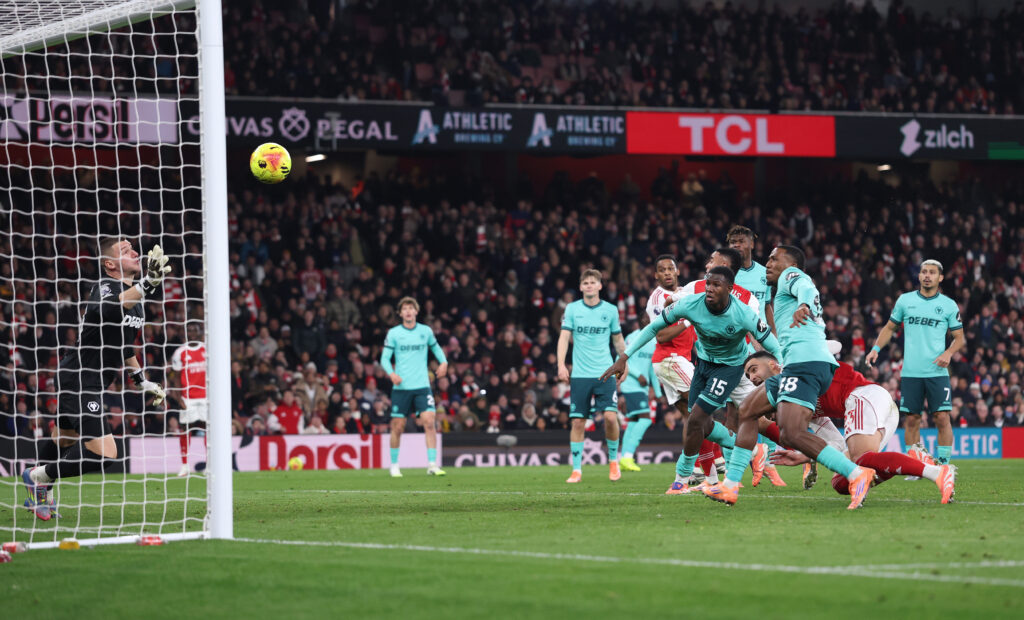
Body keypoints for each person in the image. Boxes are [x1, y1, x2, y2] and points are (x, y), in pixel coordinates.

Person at [705, 245, 875, 509]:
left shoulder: (791, 275)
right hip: (798, 363)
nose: (769, 263)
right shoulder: (782, 292)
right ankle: (730, 486)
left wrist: (804, 303)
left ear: (791, 264)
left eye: (774, 259)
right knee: (748, 410)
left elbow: (806, 288)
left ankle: (856, 473)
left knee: (792, 433)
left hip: (806, 363)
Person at [23, 238, 171, 520]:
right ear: (110, 264)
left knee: (64, 440)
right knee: (104, 455)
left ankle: (38, 495)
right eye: (126, 251)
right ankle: (38, 477)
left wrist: (141, 380)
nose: (136, 253)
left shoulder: (136, 302)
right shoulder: (104, 287)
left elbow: (125, 345)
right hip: (80, 377)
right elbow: (107, 310)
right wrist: (148, 284)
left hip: (87, 379)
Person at [602, 266, 780, 495]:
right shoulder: (690, 304)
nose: (710, 289)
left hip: (729, 368)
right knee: (701, 425)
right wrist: (624, 358)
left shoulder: (744, 314)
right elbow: (653, 328)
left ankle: (681, 478)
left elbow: (772, 344)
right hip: (703, 365)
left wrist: (782, 371)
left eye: (716, 285)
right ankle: (755, 450)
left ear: (729, 289)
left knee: (695, 417)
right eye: (708, 284)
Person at [742, 351, 955, 503]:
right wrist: (808, 456)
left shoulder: (798, 365)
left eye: (753, 369)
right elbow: (834, 443)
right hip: (880, 407)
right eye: (747, 376)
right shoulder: (800, 408)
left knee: (860, 459)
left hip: (863, 395)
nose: (751, 378)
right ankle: (908, 465)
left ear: (774, 365)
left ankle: (936, 472)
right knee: (841, 481)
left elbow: (829, 346)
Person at [865, 259, 965, 471]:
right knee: (912, 419)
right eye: (924, 272)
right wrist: (875, 349)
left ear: (940, 278)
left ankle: (945, 465)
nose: (927, 275)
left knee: (942, 417)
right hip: (911, 372)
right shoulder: (905, 301)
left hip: (937, 372)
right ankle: (916, 466)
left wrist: (948, 353)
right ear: (919, 276)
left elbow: (960, 338)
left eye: (932, 273)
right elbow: (890, 328)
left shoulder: (948, 305)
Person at [557, 269, 626, 483]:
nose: (588, 285)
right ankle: (576, 469)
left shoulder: (611, 310)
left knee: (610, 417)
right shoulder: (572, 309)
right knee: (578, 422)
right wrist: (560, 365)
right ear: (581, 287)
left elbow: (618, 340)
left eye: (592, 282)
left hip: (604, 372)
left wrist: (625, 363)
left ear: (599, 286)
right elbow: (563, 338)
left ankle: (613, 462)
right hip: (580, 375)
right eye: (585, 282)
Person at [381, 297, 448, 477]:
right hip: (401, 388)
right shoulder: (394, 333)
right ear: (400, 313)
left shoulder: (425, 331)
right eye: (405, 309)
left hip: (422, 386)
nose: (408, 311)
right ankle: (394, 465)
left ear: (416, 311)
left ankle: (432, 464)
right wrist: (391, 373)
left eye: (411, 308)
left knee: (429, 422)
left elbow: (436, 349)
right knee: (397, 426)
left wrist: (443, 362)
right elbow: (384, 358)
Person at [618, 314, 662, 472]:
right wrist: (638, 375)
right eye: (645, 317)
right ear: (642, 321)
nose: (647, 320)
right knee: (645, 419)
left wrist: (657, 391)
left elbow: (652, 366)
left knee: (634, 421)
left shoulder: (655, 341)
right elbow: (622, 358)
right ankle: (628, 456)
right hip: (630, 383)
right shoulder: (633, 337)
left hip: (642, 387)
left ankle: (623, 458)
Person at [169, 322, 207, 477]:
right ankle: (185, 465)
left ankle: (210, 465)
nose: (192, 333)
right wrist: (179, 398)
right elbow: (176, 378)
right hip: (188, 398)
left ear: (199, 332)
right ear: (186, 333)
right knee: (185, 430)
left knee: (208, 430)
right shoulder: (180, 352)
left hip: (206, 398)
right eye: (189, 330)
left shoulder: (207, 348)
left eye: (194, 330)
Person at [727, 225, 775, 333]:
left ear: (752, 244)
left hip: (760, 337)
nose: (736, 245)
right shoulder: (723, 274)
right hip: (734, 337)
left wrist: (774, 334)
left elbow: (766, 306)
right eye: (733, 242)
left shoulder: (765, 272)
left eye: (741, 241)